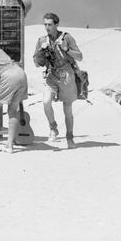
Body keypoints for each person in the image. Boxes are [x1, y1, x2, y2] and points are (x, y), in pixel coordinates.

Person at [33, 12, 83, 149]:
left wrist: (67, 50)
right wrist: (40, 56)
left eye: (49, 24)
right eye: (45, 24)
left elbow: (80, 56)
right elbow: (36, 63)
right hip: (51, 74)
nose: (47, 27)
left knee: (67, 108)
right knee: (46, 101)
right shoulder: (42, 40)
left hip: (67, 74)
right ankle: (53, 127)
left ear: (56, 24)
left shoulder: (67, 38)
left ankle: (70, 138)